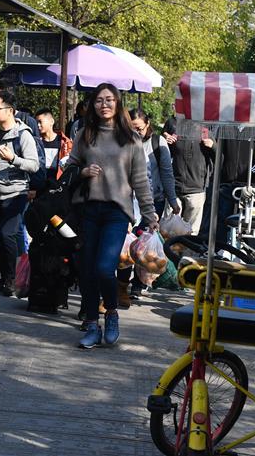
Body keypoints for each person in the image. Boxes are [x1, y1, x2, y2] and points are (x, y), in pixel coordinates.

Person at [66, 84, 157, 349]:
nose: (104, 105)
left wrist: (149, 213)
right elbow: (70, 167)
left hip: (117, 212)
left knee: (105, 268)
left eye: (109, 100)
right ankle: (92, 324)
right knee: (87, 270)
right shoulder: (85, 134)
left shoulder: (131, 139)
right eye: (99, 100)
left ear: (118, 103)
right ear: (92, 105)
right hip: (88, 209)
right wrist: (83, 172)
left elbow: (140, 180)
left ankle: (112, 312)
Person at [0, 89, 40, 295]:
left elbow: (34, 165)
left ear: (10, 110)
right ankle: (6, 277)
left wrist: (13, 159)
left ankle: (13, 278)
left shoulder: (23, 135)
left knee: (8, 234)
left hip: (15, 193)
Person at [162, 117, 214, 234]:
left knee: (191, 233)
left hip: (196, 190)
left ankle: (187, 247)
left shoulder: (205, 130)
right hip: (174, 188)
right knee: (167, 230)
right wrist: (165, 140)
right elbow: (164, 154)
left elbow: (218, 158)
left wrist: (213, 146)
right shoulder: (174, 125)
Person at [131, 109, 179, 218]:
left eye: (139, 129)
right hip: (129, 202)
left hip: (154, 201)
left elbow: (167, 174)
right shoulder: (123, 144)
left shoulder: (157, 142)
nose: (136, 133)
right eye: (132, 129)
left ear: (147, 124)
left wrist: (172, 200)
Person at [35, 107, 72, 178]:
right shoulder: (36, 142)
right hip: (40, 181)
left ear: (51, 121)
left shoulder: (64, 142)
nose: (38, 125)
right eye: (36, 122)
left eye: (40, 122)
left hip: (59, 181)